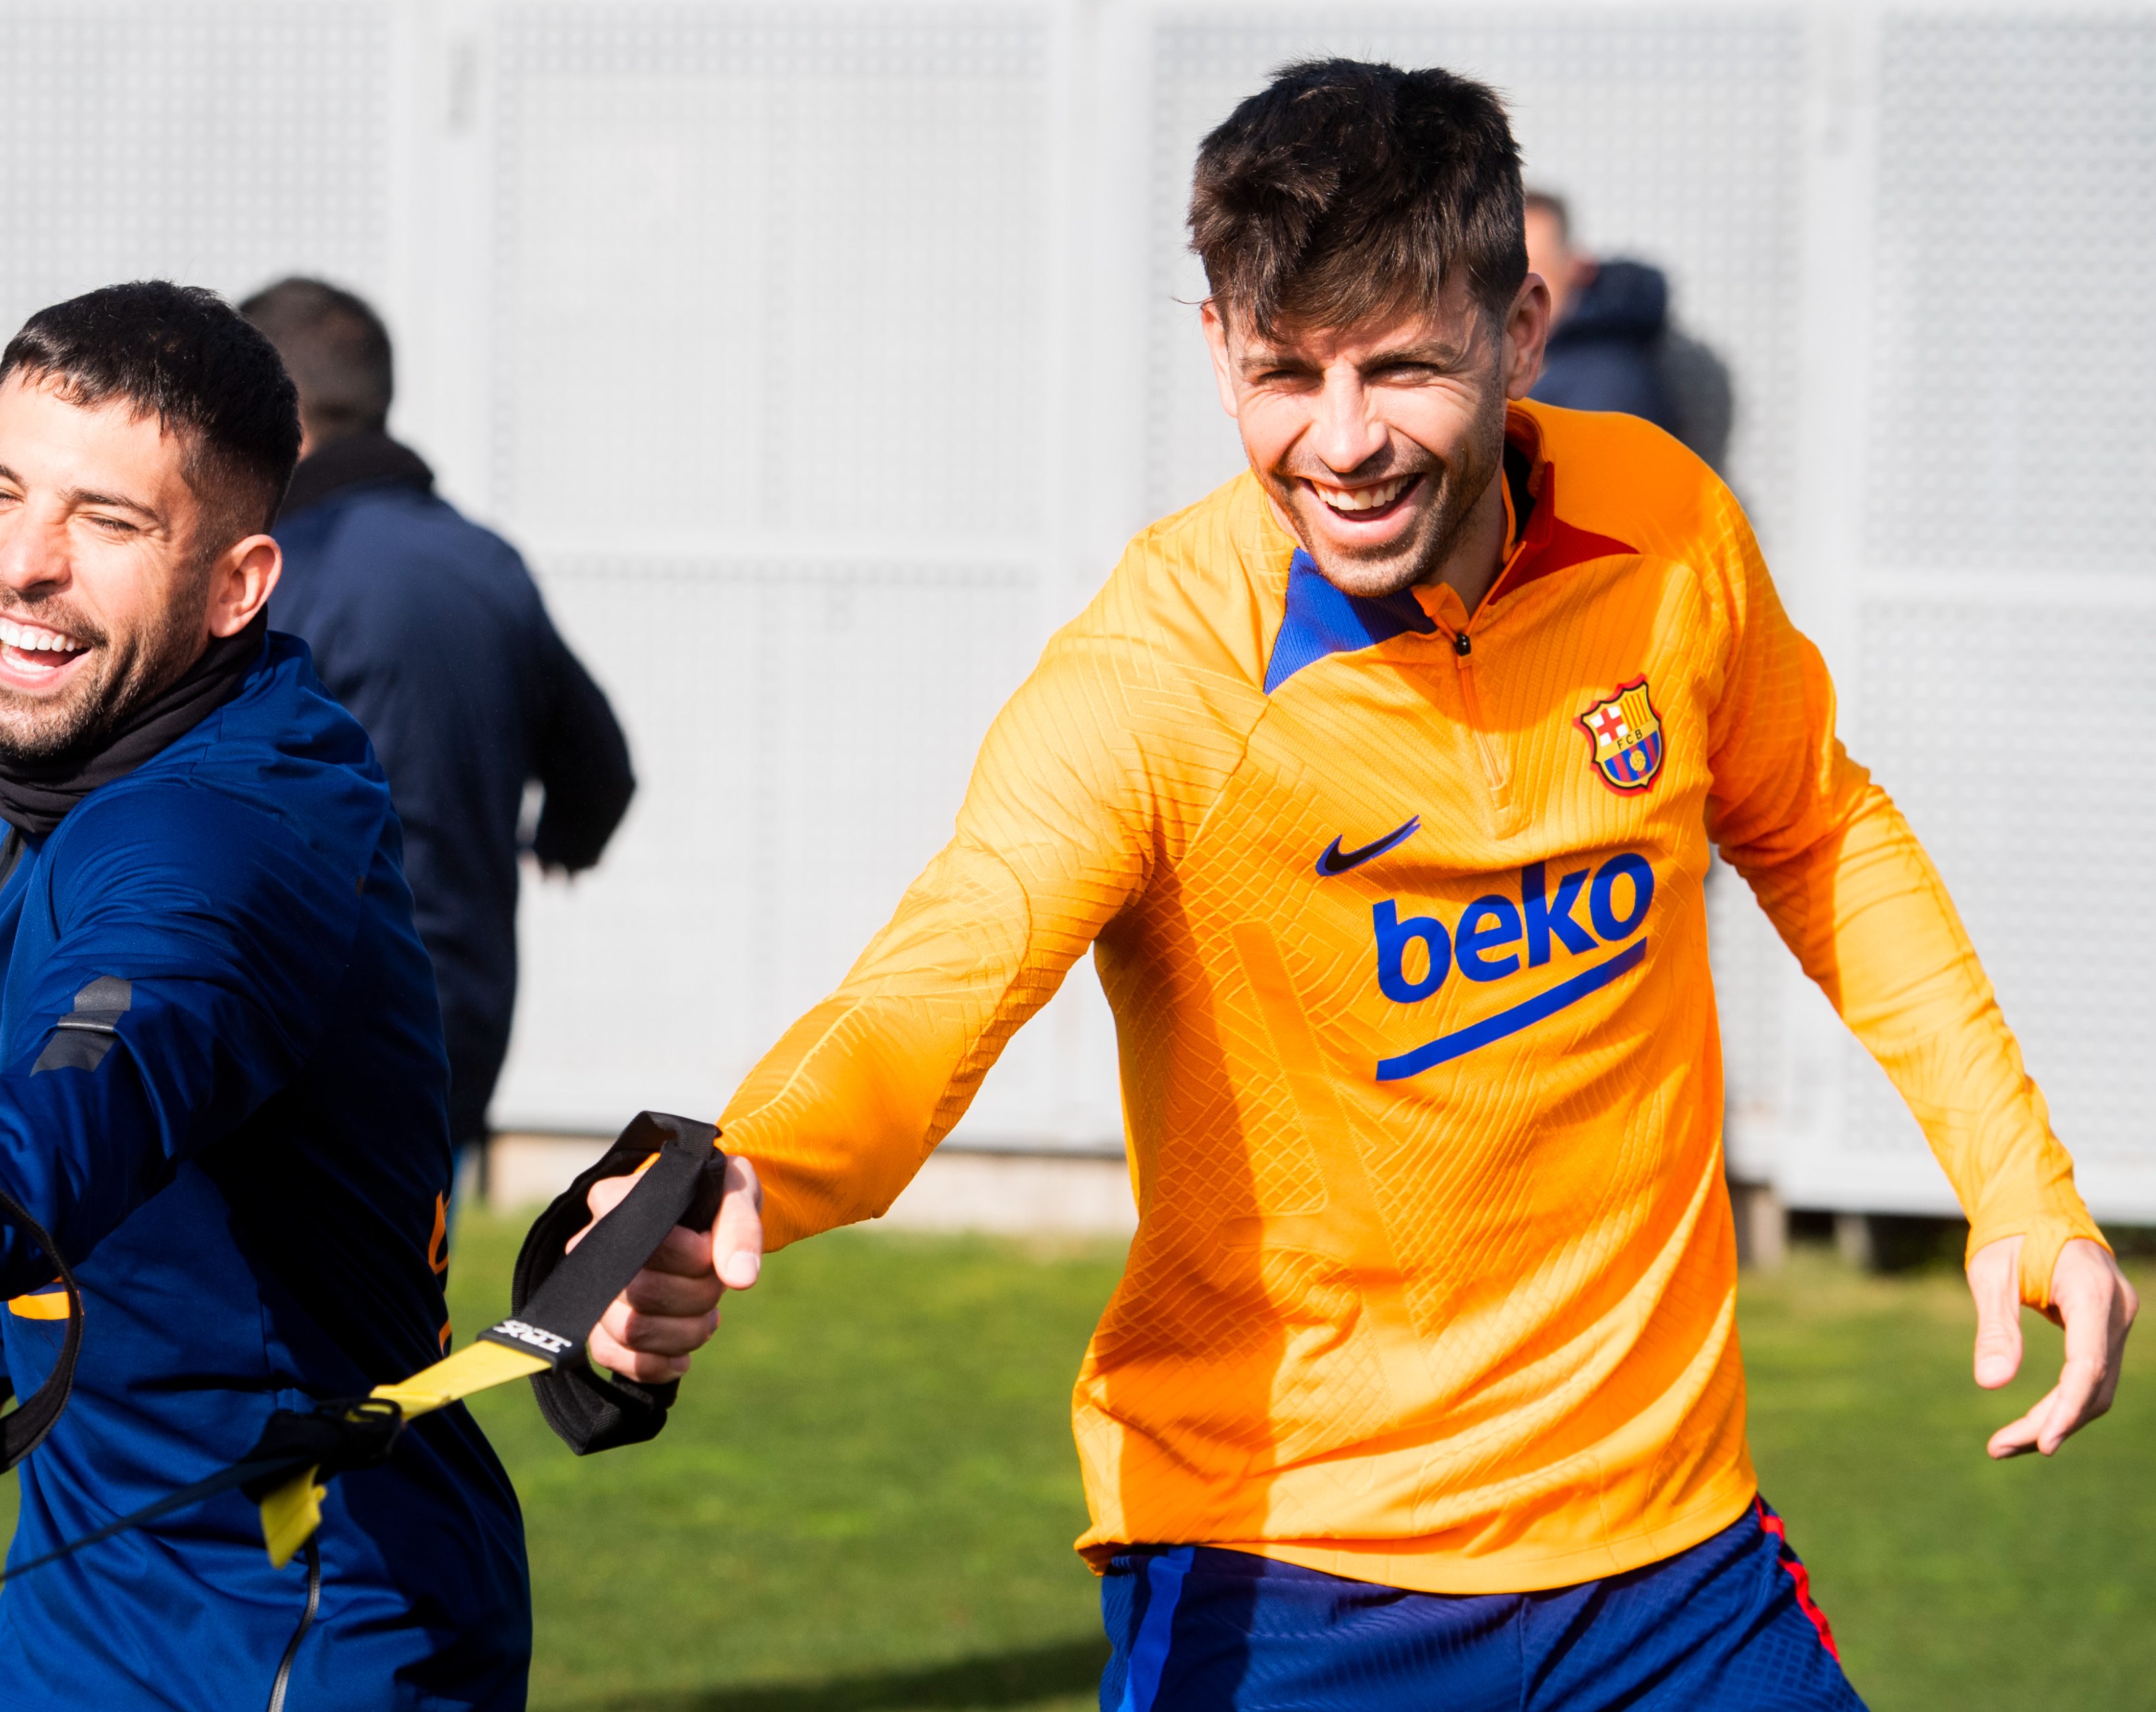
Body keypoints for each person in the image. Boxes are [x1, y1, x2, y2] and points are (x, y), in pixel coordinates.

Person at [595, 59, 2137, 1711]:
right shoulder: (1159, 669)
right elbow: (953, 961)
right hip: (1295, 1581)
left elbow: (1824, 834)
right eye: (1285, 375)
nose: (1341, 444)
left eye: (1400, 368)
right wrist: (752, 1163)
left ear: (1521, 330)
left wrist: (2021, 1183)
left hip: (1671, 1562)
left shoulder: (1670, 532)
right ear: (1216, 351)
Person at [0, 282, 532, 1709]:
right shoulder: (62, 736)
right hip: (87, 1560)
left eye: (107, 523)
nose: (22, 564)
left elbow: (127, 1038)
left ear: (234, 585)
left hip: (296, 1602)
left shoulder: (231, 823)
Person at [239, 278, 635, 1202]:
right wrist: (562, 843)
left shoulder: (268, 574)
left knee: (284, 1328)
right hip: (459, 1013)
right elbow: (601, 769)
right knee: (406, 1306)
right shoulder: (486, 562)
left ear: (274, 419)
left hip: (305, 1021)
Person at [1524, 189, 1735, 470]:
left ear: (1577, 267)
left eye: (1538, 269)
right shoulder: (1556, 356)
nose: (1521, 290)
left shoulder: (1607, 383)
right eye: (1507, 273)